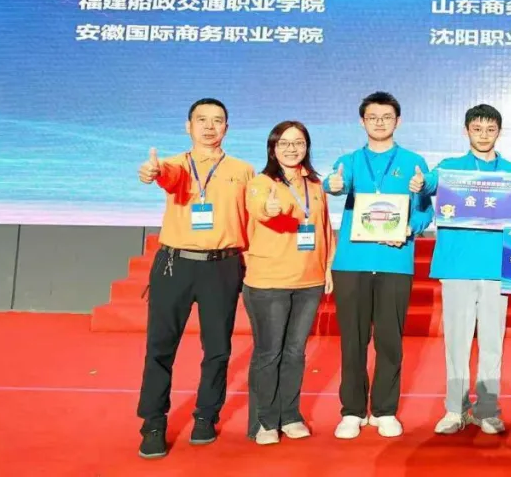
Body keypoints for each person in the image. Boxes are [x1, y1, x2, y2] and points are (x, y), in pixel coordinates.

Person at [135, 98, 254, 459]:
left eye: (217, 121)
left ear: (226, 128)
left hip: (223, 265)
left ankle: (206, 416)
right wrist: (153, 172)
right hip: (175, 264)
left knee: (217, 348)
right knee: (160, 346)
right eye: (202, 120)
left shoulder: (243, 170)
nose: (209, 127)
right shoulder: (174, 165)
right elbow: (167, 178)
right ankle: (153, 423)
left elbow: (251, 218)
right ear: (189, 126)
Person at [410, 104, 511, 435]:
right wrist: (422, 182)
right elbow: (431, 183)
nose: (484, 135)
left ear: (499, 132)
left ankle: (487, 410)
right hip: (458, 266)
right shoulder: (450, 168)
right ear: (466, 131)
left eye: (490, 129)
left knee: (492, 344)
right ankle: (455, 409)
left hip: (496, 268)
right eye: (477, 129)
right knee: (456, 343)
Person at [324, 92, 434, 440]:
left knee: (390, 340)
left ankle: (385, 410)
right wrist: (333, 185)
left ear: (397, 121)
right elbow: (334, 182)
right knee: (352, 341)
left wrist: (410, 227)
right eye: (373, 117)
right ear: (362, 121)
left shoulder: (413, 162)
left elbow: (426, 209)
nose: (380, 123)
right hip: (352, 262)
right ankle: (352, 411)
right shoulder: (350, 161)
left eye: (386, 117)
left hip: (394, 262)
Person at [243, 121, 334, 445]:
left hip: (309, 281)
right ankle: (264, 421)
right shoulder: (261, 183)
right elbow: (258, 209)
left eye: (298, 142)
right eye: (284, 143)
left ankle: (290, 414)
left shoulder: (315, 184)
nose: (292, 148)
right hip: (269, 282)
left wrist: (328, 268)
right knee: (269, 353)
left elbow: (323, 228)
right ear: (273, 148)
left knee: (295, 352)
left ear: (307, 147)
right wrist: (269, 209)